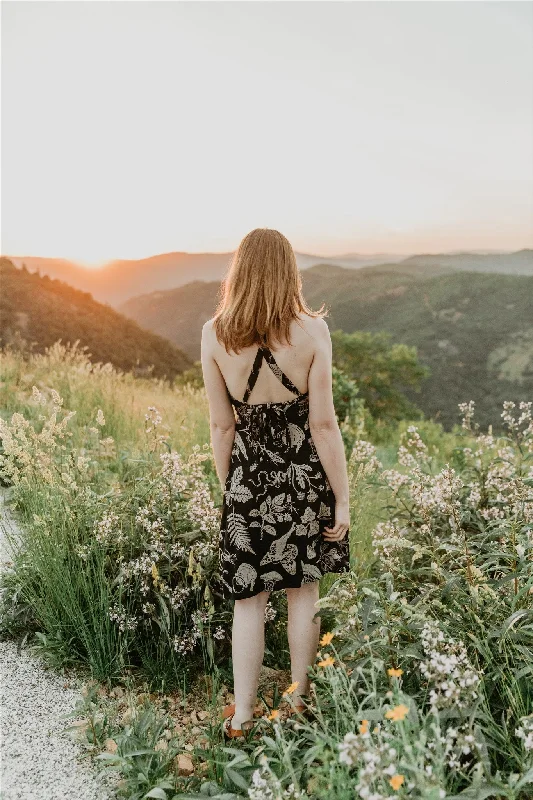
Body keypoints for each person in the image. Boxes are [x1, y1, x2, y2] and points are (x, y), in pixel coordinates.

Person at [200, 228, 351, 738]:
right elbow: (324, 425)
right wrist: (342, 498)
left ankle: (243, 716)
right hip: (304, 480)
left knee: (249, 602)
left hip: (248, 482)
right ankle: (299, 704)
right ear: (289, 271)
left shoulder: (214, 334)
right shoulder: (313, 334)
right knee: (302, 594)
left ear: (238, 271)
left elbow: (223, 426)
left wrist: (233, 489)